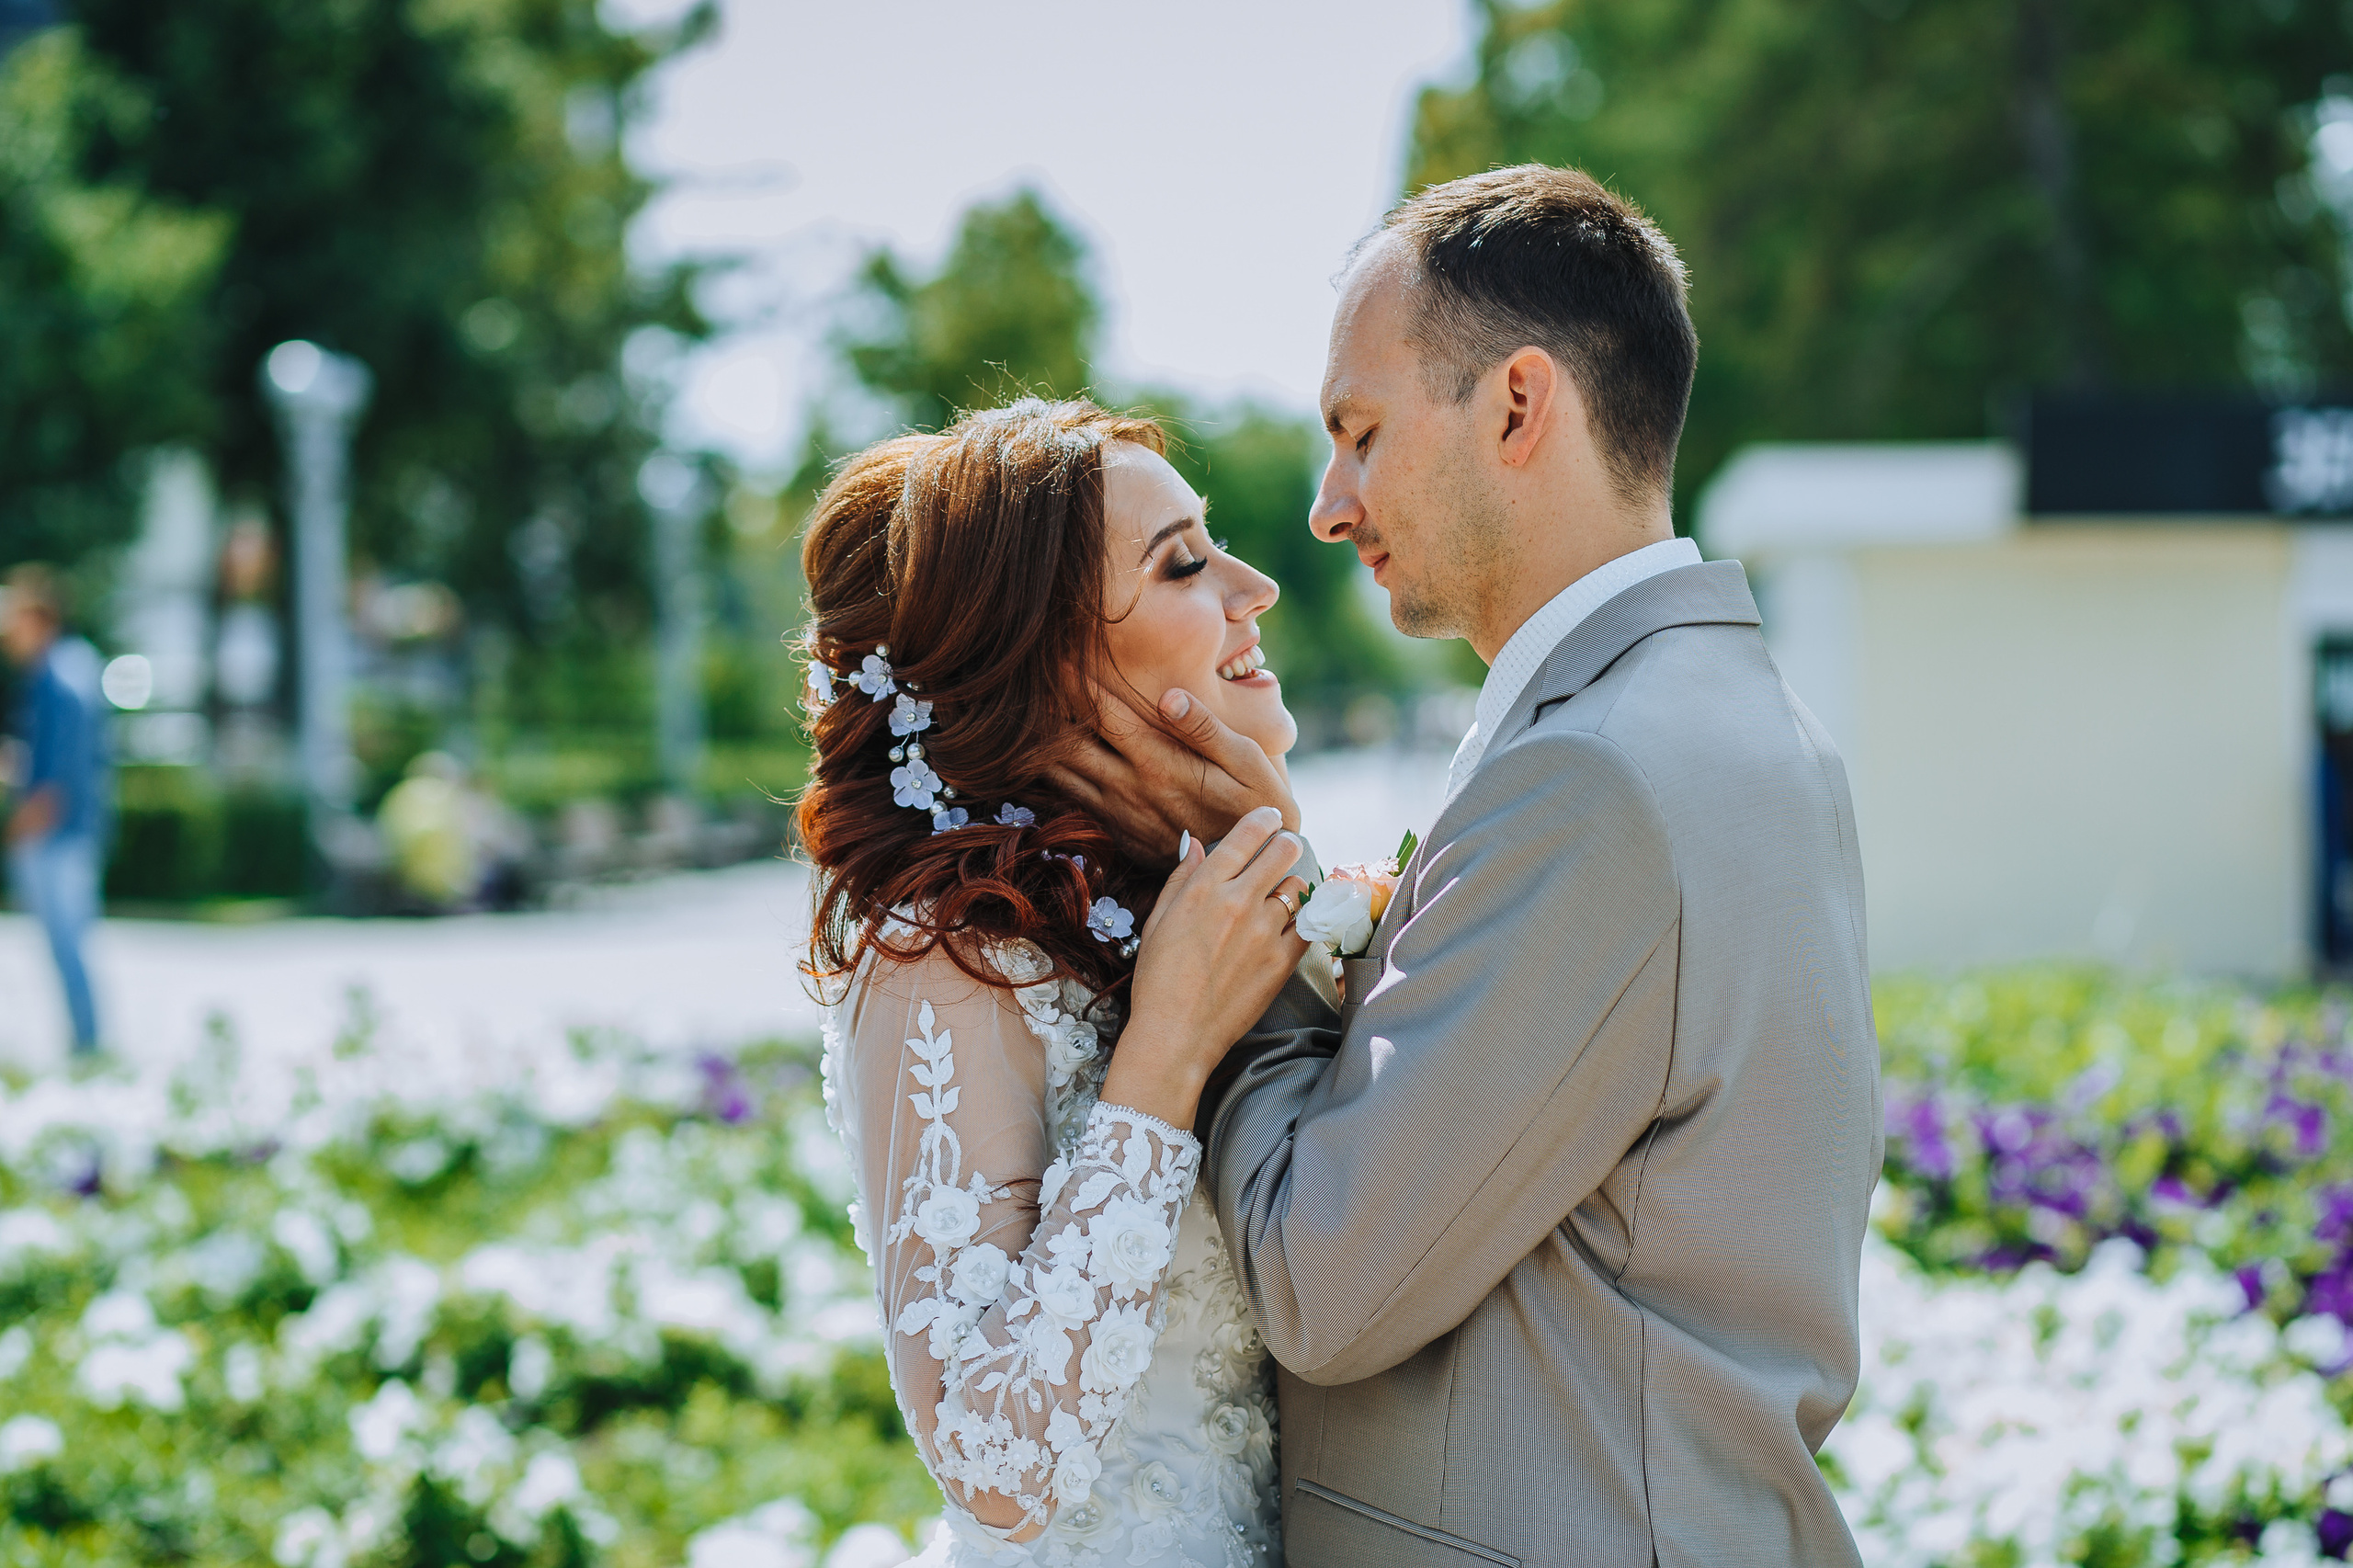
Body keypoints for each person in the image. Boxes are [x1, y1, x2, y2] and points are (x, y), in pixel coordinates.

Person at [1067, 165, 1882, 1566]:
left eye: (1360, 432)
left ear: (1517, 404)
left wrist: (1246, 928)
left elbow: (1328, 1283)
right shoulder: (1746, 723)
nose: (1329, 505)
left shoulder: (1595, 778)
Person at [799, 401, 1323, 1565]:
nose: (1254, 587)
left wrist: (1280, 863)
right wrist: (1165, 1057)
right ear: (1046, 664)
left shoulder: (1171, 904)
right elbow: (994, 1469)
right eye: (1184, 562)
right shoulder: (944, 955)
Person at [4, 563, 110, 1058]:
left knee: (67, 949)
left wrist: (16, 829)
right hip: (66, 834)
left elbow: (58, 780)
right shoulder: (67, 668)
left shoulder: (60, 679)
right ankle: (85, 1046)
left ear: (37, 618)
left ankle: (88, 1050)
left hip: (57, 837)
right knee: (69, 949)